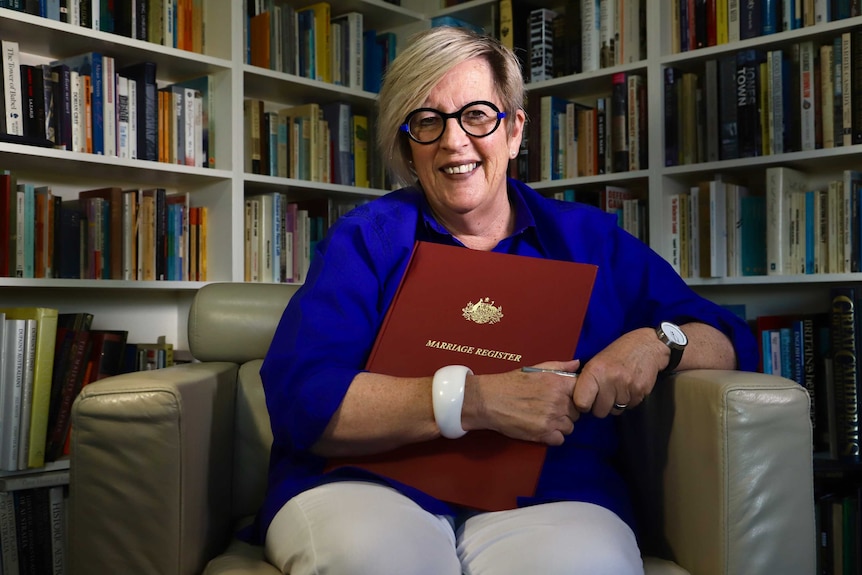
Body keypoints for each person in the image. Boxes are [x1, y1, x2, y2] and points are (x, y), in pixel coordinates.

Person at [258, 26, 758, 575]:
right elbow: (303, 397)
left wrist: (658, 342)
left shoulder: (590, 241)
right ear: (408, 144)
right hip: (371, 482)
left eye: (476, 115)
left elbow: (724, 337)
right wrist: (476, 401)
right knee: (374, 559)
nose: (454, 142)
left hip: (551, 494)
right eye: (428, 122)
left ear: (515, 130)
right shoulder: (368, 238)